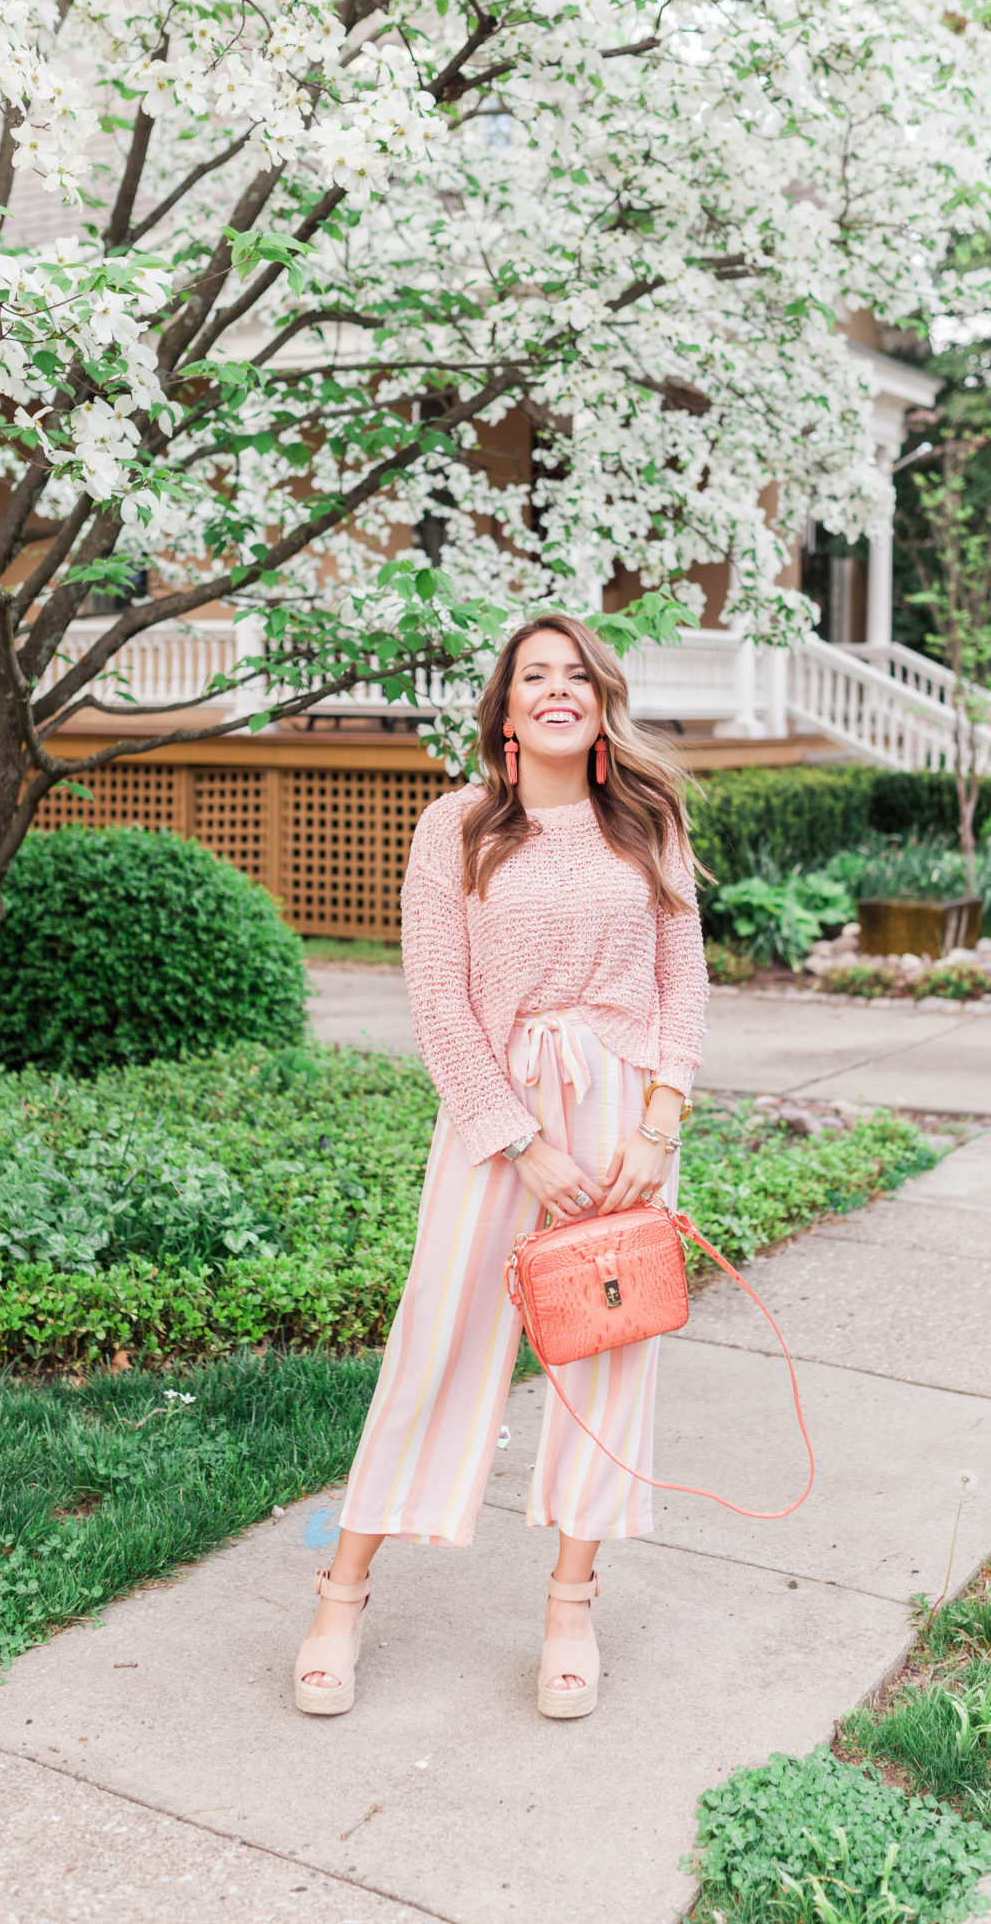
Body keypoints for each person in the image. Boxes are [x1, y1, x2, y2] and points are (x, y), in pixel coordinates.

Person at [292, 611, 708, 1720]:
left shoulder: (647, 822)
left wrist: (656, 1130)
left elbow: (684, 986)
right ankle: (342, 1592)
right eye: (536, 676)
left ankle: (571, 1604)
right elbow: (435, 1003)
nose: (558, 689)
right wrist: (522, 1141)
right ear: (509, 710)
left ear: (601, 701)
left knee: (608, 1363)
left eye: (578, 674)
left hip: (627, 1122)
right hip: (499, 1120)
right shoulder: (460, 827)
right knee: (437, 1342)